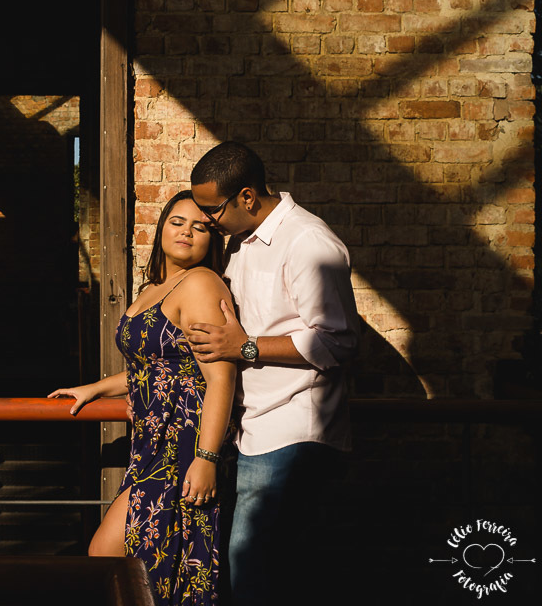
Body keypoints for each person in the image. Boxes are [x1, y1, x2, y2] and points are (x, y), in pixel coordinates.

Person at [185, 142, 359, 606]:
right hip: (252, 431)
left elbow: (339, 341)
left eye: (211, 209)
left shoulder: (308, 243)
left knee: (249, 565)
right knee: (263, 569)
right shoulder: (241, 241)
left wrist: (244, 346)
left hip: (292, 431)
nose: (206, 219)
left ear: (246, 197)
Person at [49, 190, 236, 605]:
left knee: (114, 554)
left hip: (184, 443)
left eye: (200, 227)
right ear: (162, 228)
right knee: (143, 560)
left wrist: (206, 459)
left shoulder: (201, 283)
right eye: (177, 222)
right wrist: (96, 388)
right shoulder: (156, 287)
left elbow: (221, 377)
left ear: (211, 239)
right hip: (151, 444)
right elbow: (154, 368)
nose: (187, 232)